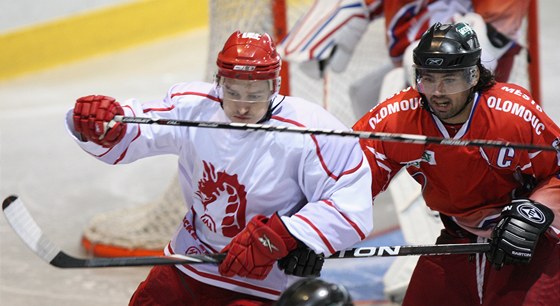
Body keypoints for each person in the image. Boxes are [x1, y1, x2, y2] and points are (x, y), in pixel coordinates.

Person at [66, 30, 374, 305]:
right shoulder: (192, 106)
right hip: (192, 260)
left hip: (265, 279)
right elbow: (139, 128)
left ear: (275, 87)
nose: (242, 106)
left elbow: (349, 200)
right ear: (219, 82)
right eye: (234, 92)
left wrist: (289, 234)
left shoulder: (311, 129)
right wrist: (107, 124)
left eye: (255, 96)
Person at [352, 22, 559, 305]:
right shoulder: (397, 118)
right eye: (427, 78)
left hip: (527, 243)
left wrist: (535, 213)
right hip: (455, 239)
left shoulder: (514, 115)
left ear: (473, 75)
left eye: (449, 80)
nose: (437, 92)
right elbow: (349, 178)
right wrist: (308, 234)